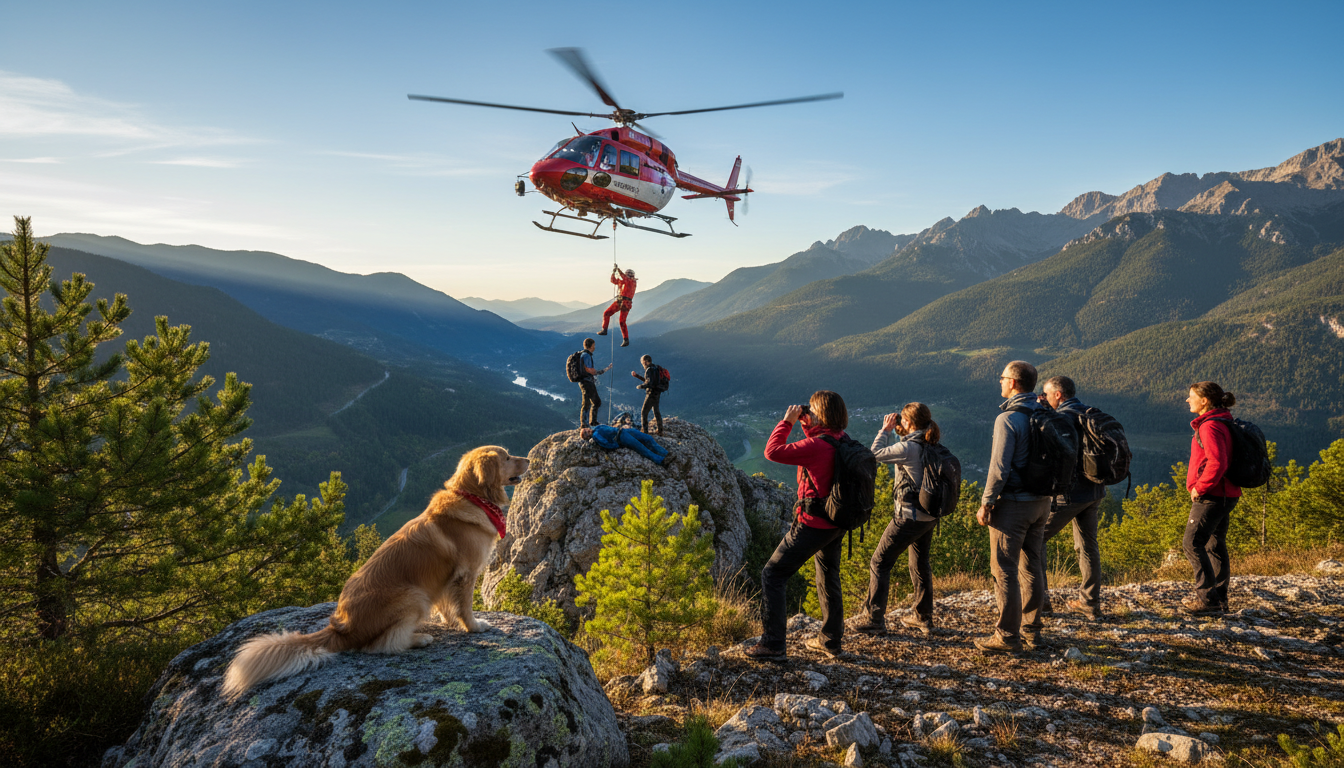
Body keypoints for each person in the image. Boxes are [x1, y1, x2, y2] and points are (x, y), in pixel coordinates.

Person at [747, 391, 851, 661]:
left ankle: (773, 644)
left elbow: (772, 452)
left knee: (773, 574)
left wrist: (788, 421)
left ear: (822, 414)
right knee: (828, 576)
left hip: (813, 523)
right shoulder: (841, 440)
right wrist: (808, 424)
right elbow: (817, 446)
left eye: (812, 410)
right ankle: (831, 641)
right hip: (836, 522)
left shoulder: (818, 446)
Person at [974, 360, 1050, 654]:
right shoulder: (1044, 412)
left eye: (1003, 378)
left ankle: (1007, 636)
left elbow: (999, 468)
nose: (1000, 382)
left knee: (1004, 568)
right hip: (1042, 503)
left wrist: (987, 502)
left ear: (1014, 383)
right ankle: (1033, 631)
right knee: (1032, 566)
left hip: (1015, 504)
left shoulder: (1008, 420)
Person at [852, 403, 943, 637]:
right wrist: (899, 430)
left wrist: (885, 430)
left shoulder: (908, 448)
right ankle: (923, 617)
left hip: (908, 516)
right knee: (920, 564)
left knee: (879, 562)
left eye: (902, 420)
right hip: (929, 516)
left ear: (910, 423)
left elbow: (874, 454)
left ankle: (874, 619)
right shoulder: (930, 443)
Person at [1032, 376, 1106, 620]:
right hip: (1094, 492)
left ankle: (1040, 602)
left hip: (1070, 494)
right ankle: (1090, 602)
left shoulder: (1062, 418)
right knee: (1087, 545)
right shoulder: (1089, 412)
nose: (1043, 397)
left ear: (1058, 395)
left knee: (1034, 539)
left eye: (1046, 393)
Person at [1182, 381, 1241, 615]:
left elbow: (1217, 462)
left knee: (1192, 543)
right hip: (1227, 493)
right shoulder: (1224, 421)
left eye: (1191, 396)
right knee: (1214, 544)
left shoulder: (1210, 426)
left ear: (1204, 401)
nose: (1188, 400)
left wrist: (1200, 487)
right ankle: (1220, 599)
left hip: (1213, 495)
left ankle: (1208, 601)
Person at [580, 424, 668, 465]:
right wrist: (618, 444)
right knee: (641, 448)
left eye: (586, 430)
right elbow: (606, 444)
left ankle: (664, 453)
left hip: (623, 431)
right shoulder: (596, 436)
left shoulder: (596, 428)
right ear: (588, 437)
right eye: (586, 433)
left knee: (648, 438)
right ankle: (661, 460)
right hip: (621, 437)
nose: (587, 431)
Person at [599, 265, 637, 347]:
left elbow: (624, 278)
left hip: (625, 302)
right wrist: (613, 272)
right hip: (622, 301)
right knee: (607, 314)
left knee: (620, 321)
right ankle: (605, 330)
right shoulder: (626, 281)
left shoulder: (631, 281)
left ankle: (625, 339)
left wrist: (617, 270)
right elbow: (613, 280)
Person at [576, 338, 611, 427]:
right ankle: (587, 423)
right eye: (594, 345)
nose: (594, 347)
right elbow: (589, 369)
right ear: (590, 346)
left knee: (590, 402)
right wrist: (601, 371)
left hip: (584, 382)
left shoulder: (582, 354)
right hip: (587, 382)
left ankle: (589, 422)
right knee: (593, 402)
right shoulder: (587, 355)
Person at [630, 354, 665, 436]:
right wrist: (637, 376)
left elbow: (649, 383)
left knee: (644, 412)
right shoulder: (655, 367)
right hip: (657, 392)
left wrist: (640, 386)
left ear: (645, 362)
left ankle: (645, 431)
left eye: (642, 362)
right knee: (656, 411)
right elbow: (649, 380)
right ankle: (660, 430)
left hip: (651, 393)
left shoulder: (649, 370)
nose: (642, 364)